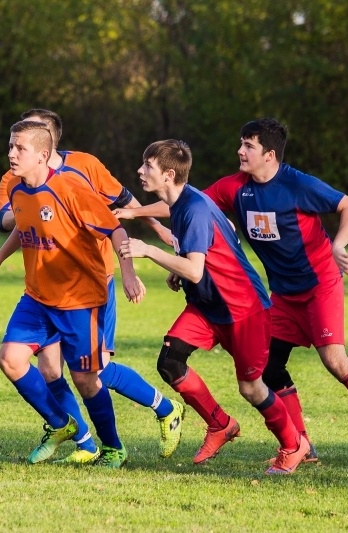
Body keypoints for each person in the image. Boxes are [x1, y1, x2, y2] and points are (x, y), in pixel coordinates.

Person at [115, 119, 348, 469]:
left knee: (334, 361)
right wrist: (137, 212)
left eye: (248, 146)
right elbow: (185, 201)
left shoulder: (297, 184)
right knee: (269, 369)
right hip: (281, 293)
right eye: (241, 143)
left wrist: (339, 245)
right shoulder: (235, 187)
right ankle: (301, 444)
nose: (240, 151)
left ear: (269, 155)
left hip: (319, 285)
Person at [0, 109, 184, 464]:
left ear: (43, 151)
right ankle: (65, 427)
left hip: (80, 298)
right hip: (38, 297)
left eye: (19, 148)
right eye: (11, 146)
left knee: (89, 377)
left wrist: (129, 272)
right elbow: (23, 224)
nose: (11, 154)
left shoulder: (73, 184)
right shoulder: (15, 187)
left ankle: (115, 444)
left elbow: (115, 226)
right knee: (13, 360)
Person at [119, 139, 310, 474]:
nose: (140, 171)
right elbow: (210, 243)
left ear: (169, 175)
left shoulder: (194, 208)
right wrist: (177, 264)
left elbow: (195, 269)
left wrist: (149, 251)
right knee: (170, 362)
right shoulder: (183, 201)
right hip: (207, 306)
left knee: (252, 387)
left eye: (148, 165)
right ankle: (220, 424)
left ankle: (294, 445)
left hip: (241, 309)